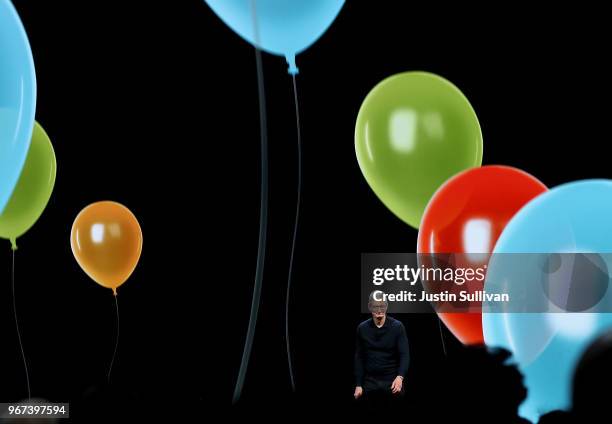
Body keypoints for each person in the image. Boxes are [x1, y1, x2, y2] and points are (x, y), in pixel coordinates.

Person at [354, 292, 409, 409]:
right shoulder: (362, 328)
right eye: (376, 306)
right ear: (370, 307)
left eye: (382, 306)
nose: (379, 310)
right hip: (370, 381)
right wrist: (358, 384)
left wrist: (400, 377)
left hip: (391, 379)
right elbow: (359, 357)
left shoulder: (397, 327)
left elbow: (404, 354)